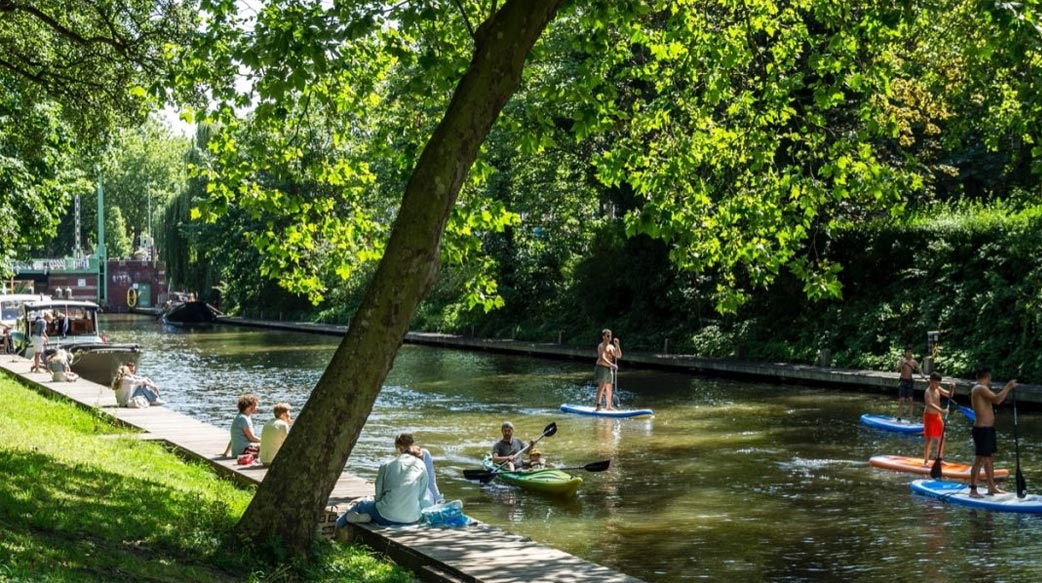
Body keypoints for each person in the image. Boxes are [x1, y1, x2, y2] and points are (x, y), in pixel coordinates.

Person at [338, 436, 430, 526]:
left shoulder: (386, 465)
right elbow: (422, 498)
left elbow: (378, 495)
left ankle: (338, 524)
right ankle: (370, 517)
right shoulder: (422, 466)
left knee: (362, 504)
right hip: (412, 520)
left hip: (385, 518)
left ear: (401, 451)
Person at [968, 367, 1017, 498]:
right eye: (990, 378)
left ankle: (991, 487)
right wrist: (1008, 387)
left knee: (989, 459)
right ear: (987, 376)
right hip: (982, 429)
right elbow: (997, 400)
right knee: (980, 460)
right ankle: (973, 490)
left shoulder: (981, 388)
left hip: (987, 429)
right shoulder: (980, 388)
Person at [393, 432, 442, 503]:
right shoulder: (424, 453)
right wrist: (438, 498)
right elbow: (431, 481)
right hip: (423, 498)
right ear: (413, 442)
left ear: (398, 448)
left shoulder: (397, 461)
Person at [922, 372, 954, 466]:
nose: (937, 385)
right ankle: (926, 462)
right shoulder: (928, 391)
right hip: (929, 417)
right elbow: (929, 404)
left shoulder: (938, 389)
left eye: (939, 383)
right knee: (929, 439)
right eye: (936, 383)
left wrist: (952, 388)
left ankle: (939, 459)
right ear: (931, 381)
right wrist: (942, 410)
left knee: (942, 436)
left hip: (937, 417)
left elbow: (949, 395)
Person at [594, 328, 622, 411]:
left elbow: (618, 355)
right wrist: (612, 365)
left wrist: (617, 345)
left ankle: (608, 406)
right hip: (601, 367)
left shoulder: (611, 346)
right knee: (602, 386)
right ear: (603, 337)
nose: (609, 338)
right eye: (607, 336)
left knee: (609, 388)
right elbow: (602, 358)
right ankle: (598, 406)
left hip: (609, 369)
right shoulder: (601, 346)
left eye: (610, 336)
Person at [895, 346, 921, 421]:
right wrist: (902, 365)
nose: (909, 353)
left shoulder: (914, 362)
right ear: (905, 353)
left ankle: (911, 418)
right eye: (908, 352)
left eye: (910, 352)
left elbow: (919, 370)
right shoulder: (901, 361)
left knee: (910, 399)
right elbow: (897, 369)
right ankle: (899, 417)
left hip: (910, 381)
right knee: (901, 400)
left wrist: (922, 375)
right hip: (903, 381)